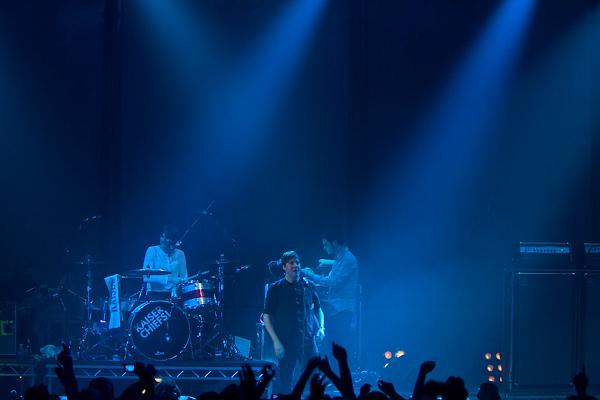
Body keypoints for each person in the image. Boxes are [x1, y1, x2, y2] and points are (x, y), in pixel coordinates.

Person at [263, 251, 325, 394]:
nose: (295, 265)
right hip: (286, 341)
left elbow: (318, 309)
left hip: (308, 340)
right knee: (286, 381)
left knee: (313, 378)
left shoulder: (308, 286)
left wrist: (321, 327)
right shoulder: (275, 289)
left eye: (297, 262)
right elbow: (267, 316)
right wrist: (276, 341)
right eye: (291, 263)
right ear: (284, 267)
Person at [301, 231, 358, 354]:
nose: (324, 248)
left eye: (326, 244)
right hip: (336, 309)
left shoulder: (348, 259)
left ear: (335, 243)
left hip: (342, 310)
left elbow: (333, 282)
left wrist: (311, 276)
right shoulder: (340, 259)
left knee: (339, 348)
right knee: (332, 347)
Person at [142, 225, 188, 299]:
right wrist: (170, 279)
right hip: (154, 294)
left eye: (167, 238)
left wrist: (176, 287)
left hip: (174, 294)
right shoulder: (152, 250)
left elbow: (184, 278)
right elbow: (146, 277)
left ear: (174, 241)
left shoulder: (180, 254)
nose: (163, 240)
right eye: (162, 237)